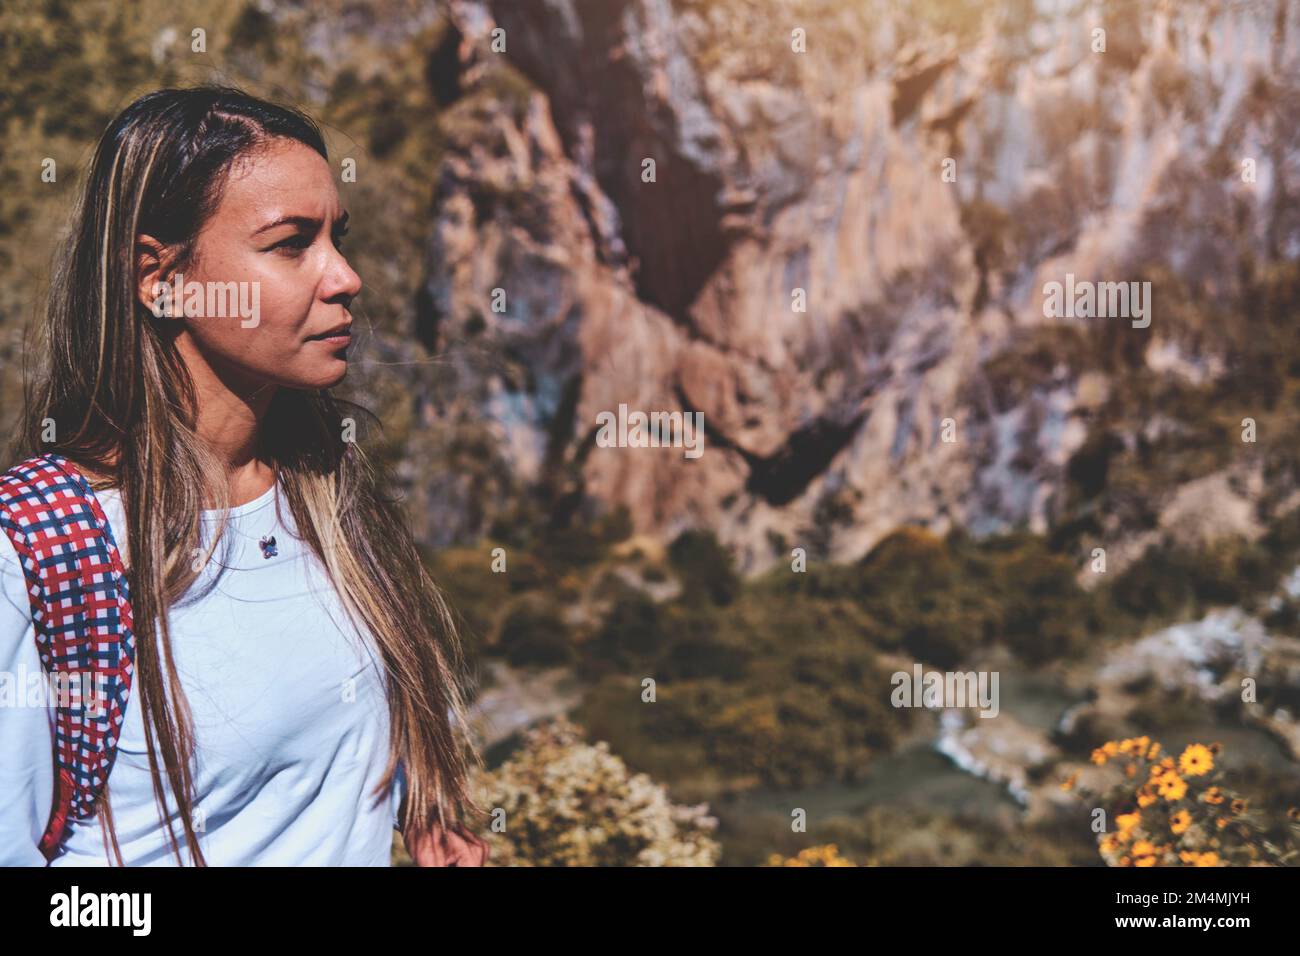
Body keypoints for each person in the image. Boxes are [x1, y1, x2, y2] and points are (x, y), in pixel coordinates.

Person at [0, 86, 488, 866]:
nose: (345, 277)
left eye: (338, 237)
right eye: (292, 243)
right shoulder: (38, 553)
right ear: (159, 279)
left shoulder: (327, 493)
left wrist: (420, 807)